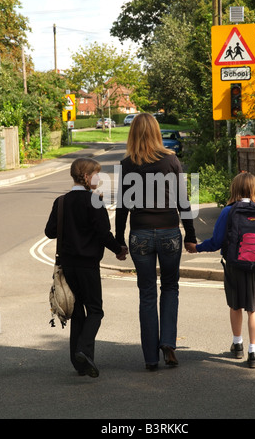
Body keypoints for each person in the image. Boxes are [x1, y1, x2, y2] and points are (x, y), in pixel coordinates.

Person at [115, 113, 197, 370]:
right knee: (170, 288)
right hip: (169, 232)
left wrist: (119, 241)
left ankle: (151, 357)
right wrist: (191, 236)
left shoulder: (127, 164)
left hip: (139, 234)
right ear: (157, 132)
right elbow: (183, 201)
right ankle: (169, 344)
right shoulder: (171, 161)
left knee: (147, 293)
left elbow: (122, 207)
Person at [45, 157, 127, 377]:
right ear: (87, 176)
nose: (99, 178)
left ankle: (79, 363)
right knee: (95, 310)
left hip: (68, 266)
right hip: (88, 265)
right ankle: (83, 350)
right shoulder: (95, 201)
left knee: (79, 311)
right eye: (97, 174)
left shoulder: (61, 201)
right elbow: (103, 234)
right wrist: (119, 249)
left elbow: (50, 232)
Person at [195, 172, 255, 368]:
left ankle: (238, 344)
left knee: (235, 305)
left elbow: (216, 242)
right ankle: (254, 353)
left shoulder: (228, 211)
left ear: (235, 189)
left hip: (234, 264)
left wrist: (196, 247)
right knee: (253, 309)